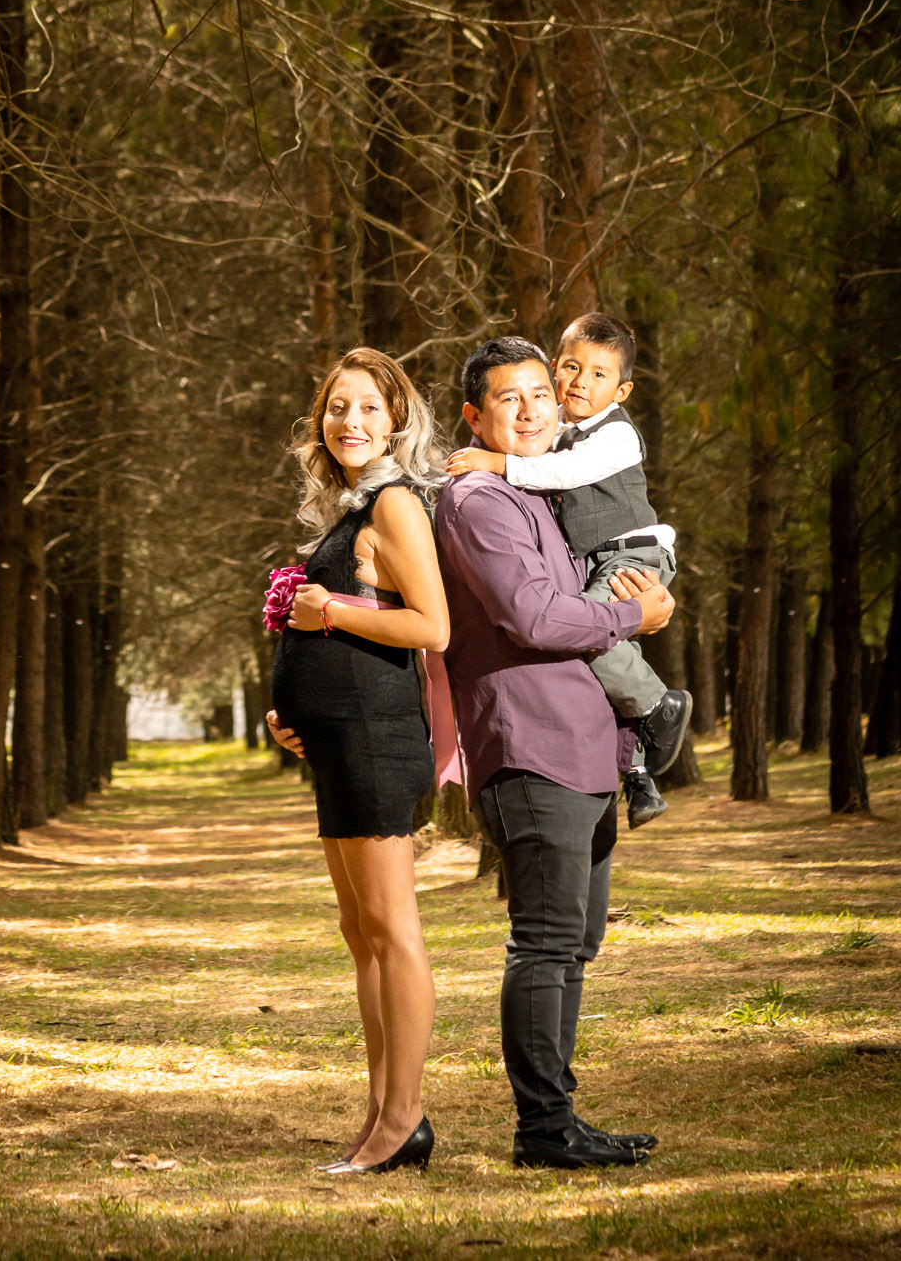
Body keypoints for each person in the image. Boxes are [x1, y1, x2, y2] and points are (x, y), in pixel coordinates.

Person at [437, 336, 676, 1170]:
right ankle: (541, 1129)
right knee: (541, 943)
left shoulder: (543, 492)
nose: (535, 409)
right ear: (474, 416)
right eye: (510, 398)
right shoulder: (479, 501)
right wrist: (633, 620)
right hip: (529, 744)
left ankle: (562, 1118)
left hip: (583, 749)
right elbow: (534, 619)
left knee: (574, 945)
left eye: (543, 393)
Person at [264, 348, 450, 1176]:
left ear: (396, 420)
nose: (351, 422)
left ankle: (404, 1119)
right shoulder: (350, 509)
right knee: (360, 933)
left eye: (369, 408)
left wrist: (329, 608)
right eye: (338, 407)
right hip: (337, 742)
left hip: (378, 741)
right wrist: (290, 713)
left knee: (393, 932)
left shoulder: (398, 504)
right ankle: (379, 1112)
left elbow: (430, 628)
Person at [446, 312, 692, 828]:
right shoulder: (554, 426)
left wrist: (496, 464)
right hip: (600, 557)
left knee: (591, 633)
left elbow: (566, 472)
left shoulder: (616, 437)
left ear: (622, 391)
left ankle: (657, 706)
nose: (581, 382)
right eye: (572, 368)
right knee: (598, 641)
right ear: (556, 368)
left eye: (599, 375)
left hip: (631, 553)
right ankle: (640, 773)